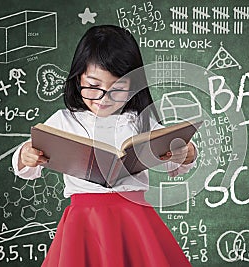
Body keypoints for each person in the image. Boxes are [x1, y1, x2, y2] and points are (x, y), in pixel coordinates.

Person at [12, 25, 196, 267]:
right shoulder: (64, 120)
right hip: (83, 222)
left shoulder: (141, 119)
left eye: (117, 89)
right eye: (94, 85)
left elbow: (173, 155)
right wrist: (26, 155)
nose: (103, 98)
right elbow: (28, 160)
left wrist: (186, 153)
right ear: (79, 78)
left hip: (134, 218)